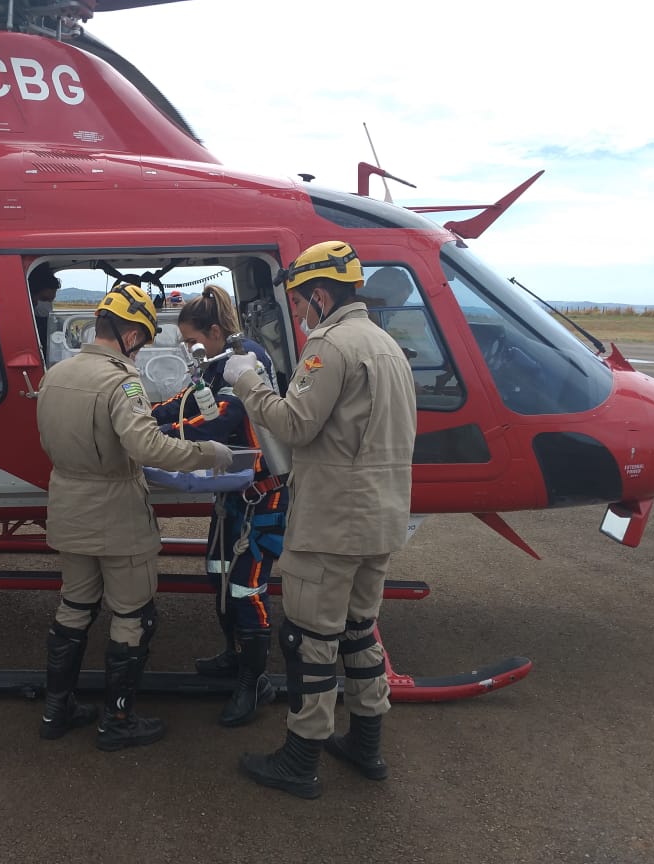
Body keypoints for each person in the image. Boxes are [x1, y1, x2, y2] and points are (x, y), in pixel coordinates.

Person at [221, 241, 417, 800]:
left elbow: (294, 424)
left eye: (301, 302)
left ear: (321, 296)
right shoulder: (386, 345)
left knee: (309, 638)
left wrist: (248, 381)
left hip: (333, 521)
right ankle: (366, 744)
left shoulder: (330, 345)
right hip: (380, 518)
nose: (301, 313)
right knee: (359, 631)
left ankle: (300, 759)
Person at [36, 282, 235, 751]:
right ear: (130, 335)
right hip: (117, 516)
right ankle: (118, 721)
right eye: (142, 341)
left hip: (68, 507)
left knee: (74, 608)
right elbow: (147, 447)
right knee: (132, 615)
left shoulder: (55, 374)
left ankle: (56, 710)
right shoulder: (122, 382)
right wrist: (208, 452)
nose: (141, 350)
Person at [149, 284, 288, 727]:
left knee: (246, 587)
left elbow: (222, 418)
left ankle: (254, 681)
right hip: (233, 492)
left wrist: (159, 437)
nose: (188, 348)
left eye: (191, 340)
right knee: (219, 574)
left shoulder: (245, 360)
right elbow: (186, 402)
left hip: (263, 494)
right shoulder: (213, 363)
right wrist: (146, 414)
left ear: (213, 331)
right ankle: (234, 654)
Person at [29, 262, 61, 360]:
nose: (48, 305)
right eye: (44, 299)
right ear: (31, 296)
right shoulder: (24, 324)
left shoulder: (55, 323)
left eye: (51, 300)